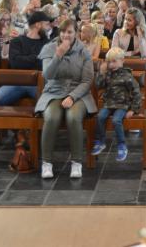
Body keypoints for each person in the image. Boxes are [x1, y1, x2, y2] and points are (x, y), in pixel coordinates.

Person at [36, 19, 97, 179]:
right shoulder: (50, 48)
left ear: (76, 33)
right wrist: (58, 56)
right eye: (63, 32)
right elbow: (47, 76)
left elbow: (87, 81)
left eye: (69, 32)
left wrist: (72, 96)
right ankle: (47, 163)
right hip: (54, 91)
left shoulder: (83, 51)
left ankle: (77, 163)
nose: (66, 35)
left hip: (78, 93)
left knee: (73, 117)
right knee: (51, 117)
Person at [91, 47, 142, 161]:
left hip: (122, 105)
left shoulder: (127, 75)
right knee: (100, 117)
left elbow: (136, 92)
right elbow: (98, 85)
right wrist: (101, 72)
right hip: (109, 104)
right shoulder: (108, 74)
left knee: (116, 120)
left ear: (122, 61)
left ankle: (122, 145)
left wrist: (133, 110)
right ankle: (101, 141)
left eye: (114, 61)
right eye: (109, 62)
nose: (111, 64)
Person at [0, 11, 50, 107]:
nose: (48, 28)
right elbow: (16, 64)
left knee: (48, 103)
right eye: (46, 24)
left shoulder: (48, 43)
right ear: (38, 25)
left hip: (38, 83)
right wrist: (37, 57)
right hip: (18, 81)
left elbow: (46, 64)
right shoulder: (17, 41)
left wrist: (26, 59)